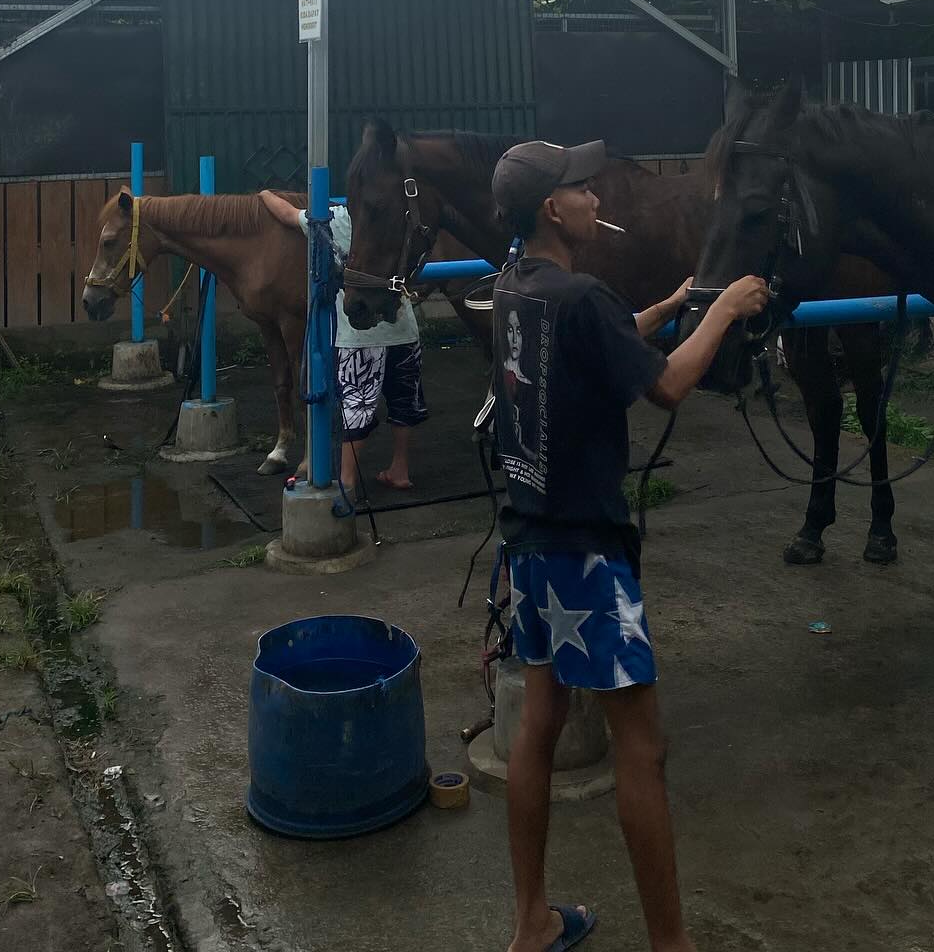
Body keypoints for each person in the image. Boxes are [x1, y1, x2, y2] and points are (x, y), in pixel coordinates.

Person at [489, 140, 770, 952]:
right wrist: (723, 308)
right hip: (588, 555)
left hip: (531, 544)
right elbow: (667, 384)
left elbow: (605, 345)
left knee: (540, 722)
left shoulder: (516, 288)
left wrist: (668, 306)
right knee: (642, 748)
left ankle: (532, 922)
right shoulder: (583, 297)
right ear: (554, 209)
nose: (593, 195)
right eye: (581, 187)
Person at [261, 193, 427, 492]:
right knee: (405, 401)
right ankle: (400, 469)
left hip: (359, 333)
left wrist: (263, 195)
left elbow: (287, 214)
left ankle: (348, 479)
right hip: (403, 328)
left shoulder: (335, 220)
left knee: (357, 405)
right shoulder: (397, 220)